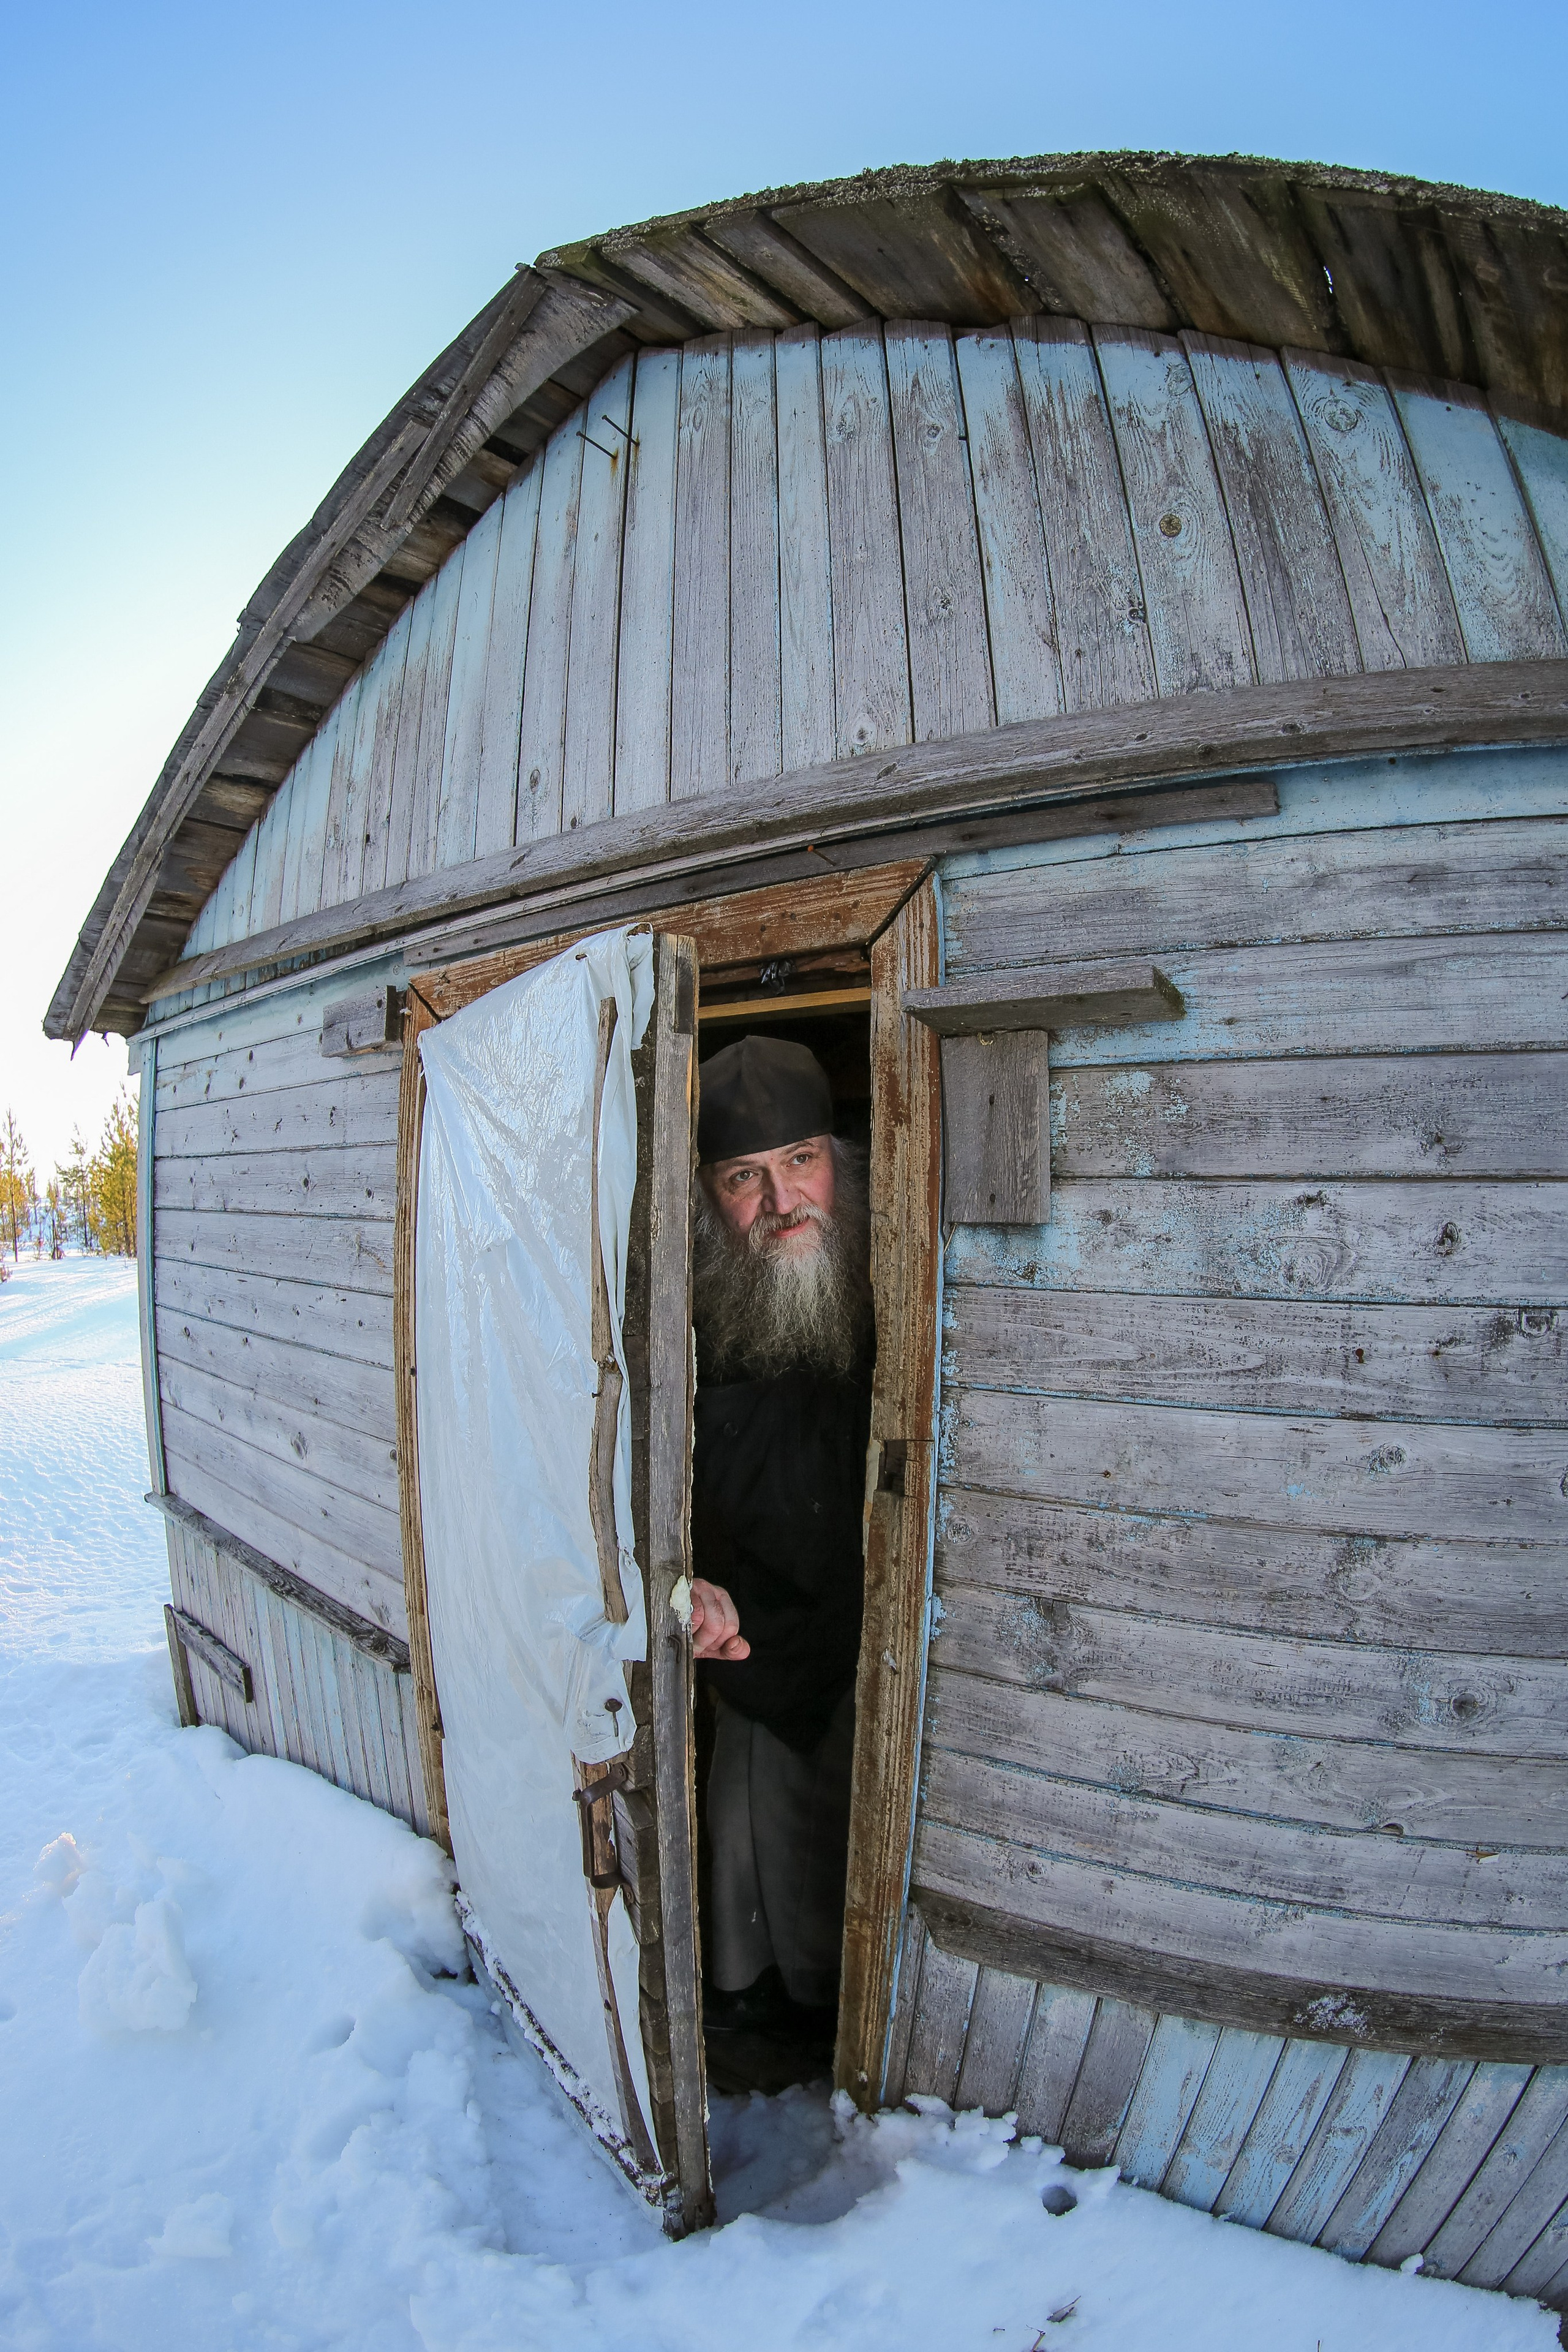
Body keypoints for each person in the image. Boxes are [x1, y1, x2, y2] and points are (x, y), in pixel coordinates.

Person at [685, 1033, 873, 2059]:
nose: (782, 1198)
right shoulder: (694, 1306)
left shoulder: (896, 1271)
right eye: (743, 1177)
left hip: (869, 1623)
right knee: (747, 1863)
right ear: (712, 1200)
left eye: (801, 1160)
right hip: (748, 1636)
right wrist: (686, 1578)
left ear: (840, 1161)